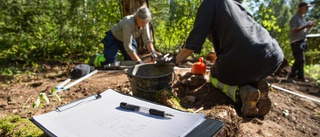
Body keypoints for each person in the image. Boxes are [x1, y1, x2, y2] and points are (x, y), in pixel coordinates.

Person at [157, 0, 284, 117]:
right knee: (243, 68)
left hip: (243, 56)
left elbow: (193, 43)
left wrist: (174, 60)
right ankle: (258, 85)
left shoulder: (209, 3)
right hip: (272, 56)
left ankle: (243, 93)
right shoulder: (234, 5)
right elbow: (245, 37)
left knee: (213, 76)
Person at [88, 7, 157, 67]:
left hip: (128, 39)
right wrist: (139, 61)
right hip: (114, 38)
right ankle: (96, 58)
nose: (144, 24)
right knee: (109, 63)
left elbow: (147, 40)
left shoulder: (145, 23)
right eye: (142, 22)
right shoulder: (128, 23)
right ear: (136, 18)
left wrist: (153, 53)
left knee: (132, 61)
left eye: (146, 22)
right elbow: (128, 46)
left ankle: (120, 59)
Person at [287, 2, 316, 83]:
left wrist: (309, 27)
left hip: (302, 41)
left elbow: (304, 30)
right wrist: (305, 26)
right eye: (306, 8)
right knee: (300, 59)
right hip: (296, 42)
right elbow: (294, 30)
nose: (307, 9)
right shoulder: (295, 18)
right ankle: (292, 76)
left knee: (300, 60)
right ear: (300, 8)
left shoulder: (303, 18)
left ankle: (299, 77)